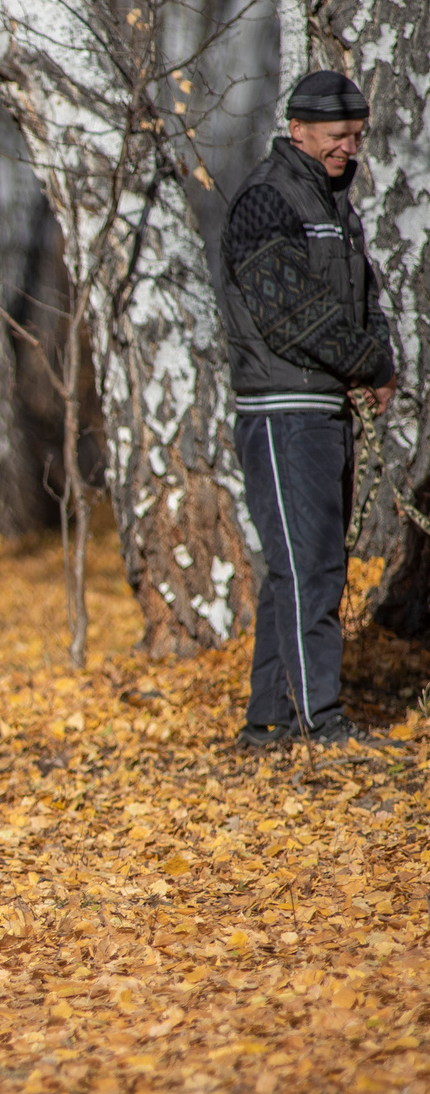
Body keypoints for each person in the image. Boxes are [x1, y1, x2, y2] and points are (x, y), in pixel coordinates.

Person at [217, 69, 396, 750]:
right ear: (297, 130)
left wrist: (376, 357)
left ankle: (268, 724)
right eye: (336, 136)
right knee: (310, 568)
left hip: (321, 407)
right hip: (281, 410)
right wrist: (366, 362)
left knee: (300, 568)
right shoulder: (268, 200)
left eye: (354, 136)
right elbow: (294, 314)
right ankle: (322, 722)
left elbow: (363, 300)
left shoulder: (334, 203)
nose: (348, 148)